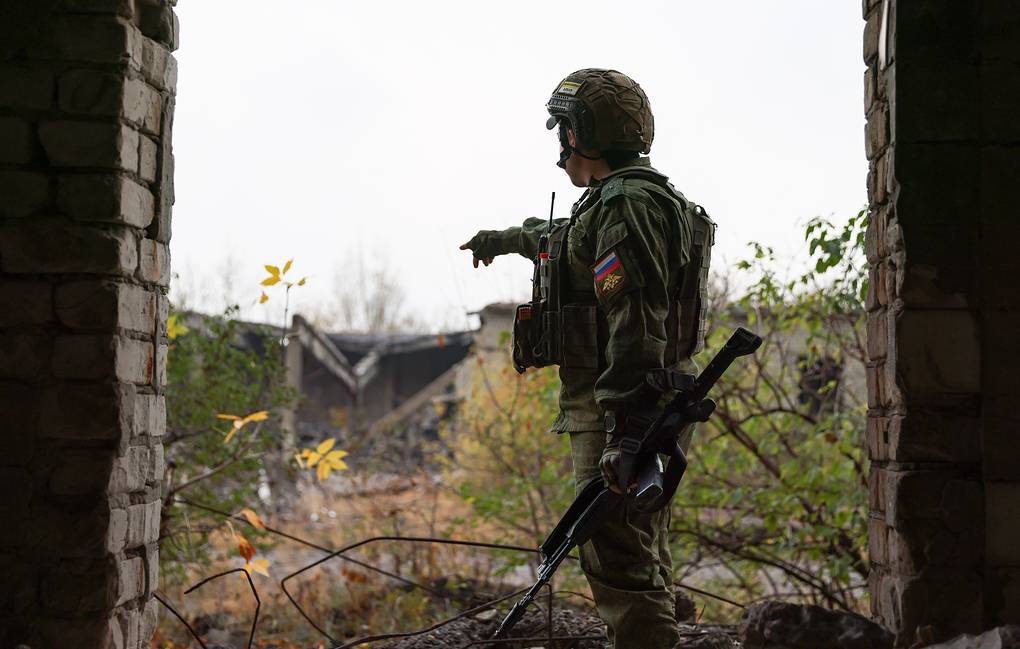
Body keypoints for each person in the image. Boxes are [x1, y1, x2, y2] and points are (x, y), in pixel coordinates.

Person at [460, 68, 714, 649]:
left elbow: (636, 318)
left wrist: (624, 430)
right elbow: (561, 240)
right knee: (637, 541)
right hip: (640, 404)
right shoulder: (626, 201)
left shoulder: (625, 206)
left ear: (582, 134)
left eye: (564, 130)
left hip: (621, 408)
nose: (560, 145)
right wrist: (502, 240)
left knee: (616, 556)